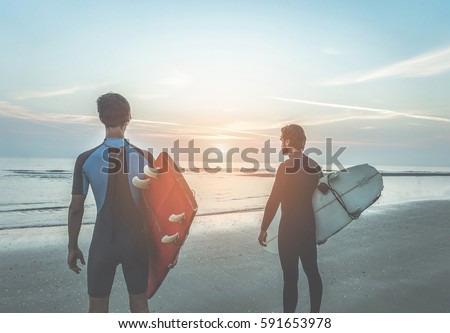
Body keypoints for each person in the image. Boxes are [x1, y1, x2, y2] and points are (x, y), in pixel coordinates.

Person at [67, 93, 151, 312]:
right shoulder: (145, 158)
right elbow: (157, 209)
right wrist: (167, 249)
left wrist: (72, 246)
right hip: (137, 243)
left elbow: (76, 208)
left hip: (103, 243)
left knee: (97, 305)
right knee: (140, 302)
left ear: (101, 119)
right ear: (129, 117)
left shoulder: (86, 159)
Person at [258, 124, 323, 313]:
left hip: (289, 229)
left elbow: (274, 200)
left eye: (281, 140)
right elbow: (322, 201)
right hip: (308, 227)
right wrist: (324, 230)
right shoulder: (314, 167)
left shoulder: (285, 167)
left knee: (290, 278)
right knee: (312, 273)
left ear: (287, 141)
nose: (281, 143)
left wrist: (264, 228)